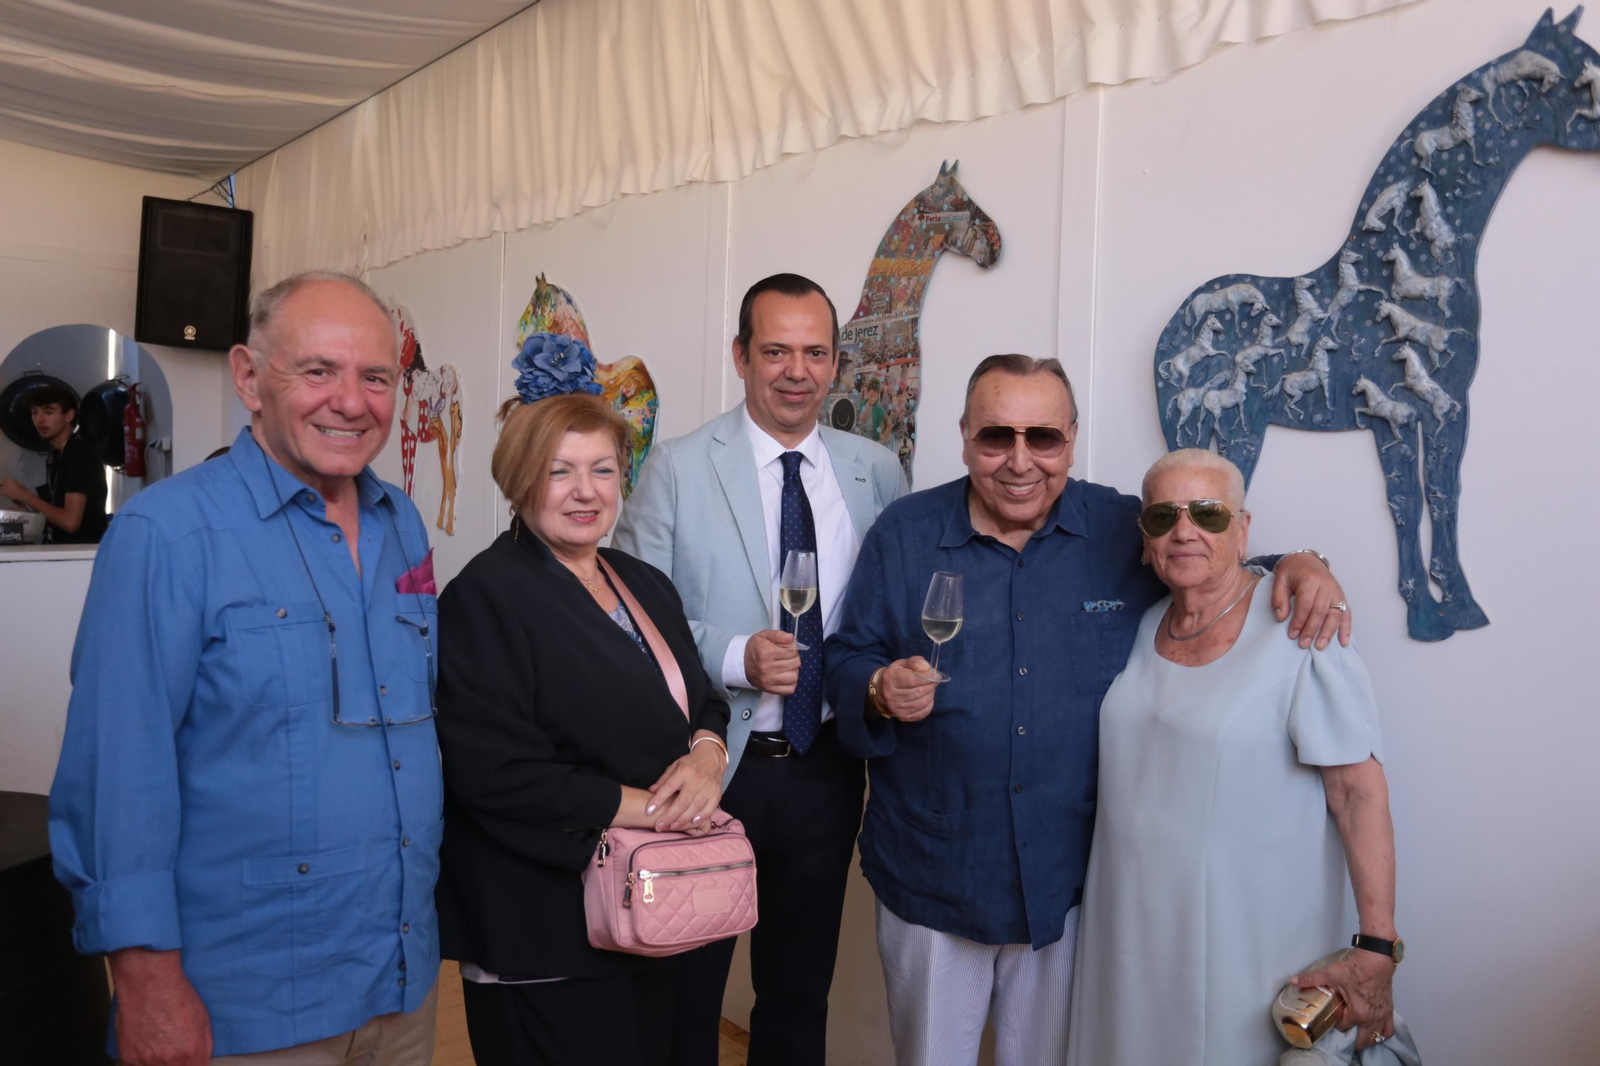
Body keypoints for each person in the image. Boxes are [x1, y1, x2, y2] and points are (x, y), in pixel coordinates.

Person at [824, 355, 1354, 1066]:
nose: (1020, 461)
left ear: (1071, 438)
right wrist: (877, 688)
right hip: (933, 871)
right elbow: (844, 657)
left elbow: (1208, 555)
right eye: (996, 437)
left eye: (1042, 438)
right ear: (964, 437)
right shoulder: (905, 532)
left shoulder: (1119, 527)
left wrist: (1304, 560)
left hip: (1068, 883)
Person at [49, 272, 442, 1066]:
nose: (351, 401)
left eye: (375, 378)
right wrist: (148, 985)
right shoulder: (168, 533)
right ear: (248, 378)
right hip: (246, 1002)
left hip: (400, 982)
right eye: (318, 371)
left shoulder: (401, 523)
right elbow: (117, 771)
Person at [612, 273, 906, 1066]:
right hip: (710, 770)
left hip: (826, 769)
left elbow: (887, 614)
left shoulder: (875, 471)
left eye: (815, 353)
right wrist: (735, 655)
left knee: (798, 990)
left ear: (837, 363)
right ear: (741, 356)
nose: (796, 371)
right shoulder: (675, 467)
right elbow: (633, 619)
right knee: (688, 990)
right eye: (775, 350)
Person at [1066, 448, 1400, 1065]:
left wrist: (1377, 946)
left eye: (1209, 514)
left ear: (1244, 529)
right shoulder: (1138, 625)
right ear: (1145, 539)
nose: (1185, 529)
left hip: (1251, 941)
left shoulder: (1302, 629)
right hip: (1126, 933)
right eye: (1164, 516)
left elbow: (1358, 792)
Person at [434, 381, 732, 1066]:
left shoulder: (641, 582)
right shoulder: (485, 597)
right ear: (519, 479)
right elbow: (497, 776)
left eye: (601, 470)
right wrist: (658, 809)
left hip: (657, 910)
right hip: (545, 927)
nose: (584, 491)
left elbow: (699, 696)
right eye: (558, 471)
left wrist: (708, 755)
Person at [0, 385, 108, 543]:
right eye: (34, 412)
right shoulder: (57, 455)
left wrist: (25, 495)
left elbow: (70, 522)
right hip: (61, 551)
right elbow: (57, 514)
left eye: (48, 412)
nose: (40, 420)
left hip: (80, 555)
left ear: (69, 415)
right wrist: (27, 513)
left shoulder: (78, 455)